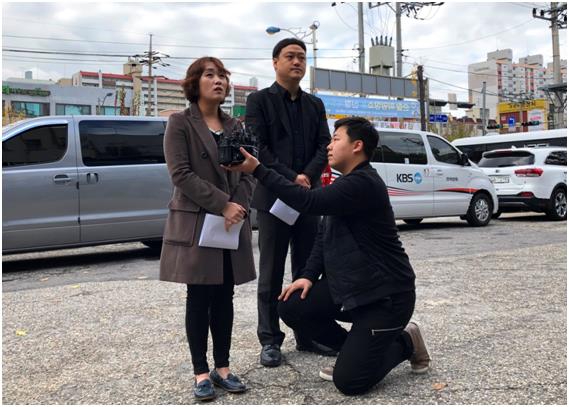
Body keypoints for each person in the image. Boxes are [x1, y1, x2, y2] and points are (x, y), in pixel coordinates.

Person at [225, 117, 431, 396]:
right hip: (353, 289)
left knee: (350, 382)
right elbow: (323, 235)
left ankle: (406, 340)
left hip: (387, 298)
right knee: (291, 305)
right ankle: (356, 349)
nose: (329, 147)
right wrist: (308, 276)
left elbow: (308, 202)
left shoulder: (363, 183)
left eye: (336, 140)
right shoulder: (344, 184)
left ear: (357, 146)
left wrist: (259, 169)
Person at [159, 57, 256, 401]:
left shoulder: (236, 125)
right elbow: (181, 174)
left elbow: (247, 171)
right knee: (199, 296)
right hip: (199, 221)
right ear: (194, 82)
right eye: (210, 75)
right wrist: (223, 203)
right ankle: (201, 371)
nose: (219, 81)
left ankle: (223, 367)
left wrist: (239, 205)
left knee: (225, 295)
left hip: (231, 223)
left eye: (223, 76)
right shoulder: (179, 122)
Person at [245, 38, 332, 367]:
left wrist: (306, 176)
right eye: (290, 57)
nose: (297, 62)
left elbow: (324, 145)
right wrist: (290, 178)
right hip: (273, 200)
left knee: (307, 270)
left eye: (301, 57)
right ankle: (270, 339)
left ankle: (307, 334)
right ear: (275, 62)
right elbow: (258, 148)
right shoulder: (259, 101)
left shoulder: (315, 105)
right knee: (270, 272)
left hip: (307, 199)